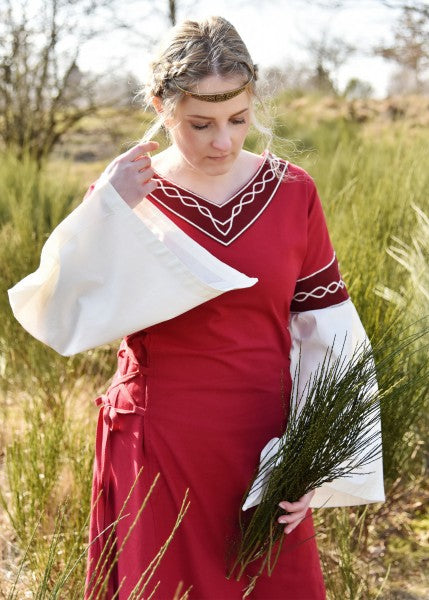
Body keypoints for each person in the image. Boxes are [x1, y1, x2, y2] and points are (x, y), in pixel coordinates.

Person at [8, 15, 385, 600]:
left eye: (238, 120)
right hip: (158, 449)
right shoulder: (124, 196)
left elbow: (328, 335)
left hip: (267, 455)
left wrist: (319, 460)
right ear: (162, 105)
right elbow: (60, 314)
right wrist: (105, 211)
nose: (223, 141)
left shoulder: (293, 193)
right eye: (200, 123)